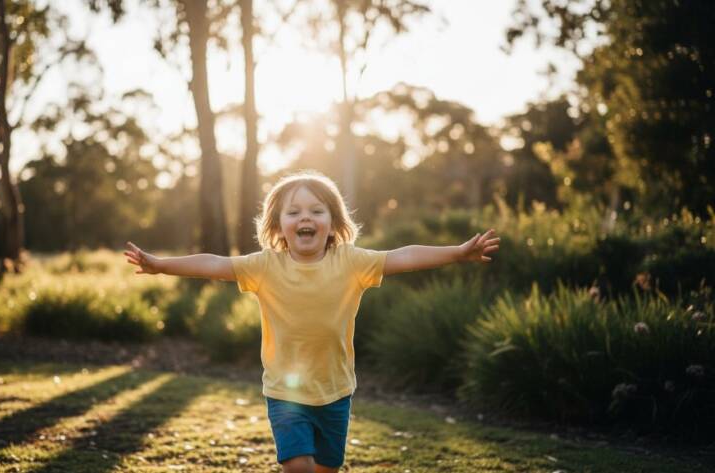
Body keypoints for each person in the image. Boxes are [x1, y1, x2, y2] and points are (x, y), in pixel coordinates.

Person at [124, 170, 500, 473]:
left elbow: (403, 256)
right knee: (298, 466)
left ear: (333, 224)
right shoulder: (265, 266)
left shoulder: (352, 262)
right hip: (285, 392)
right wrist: (160, 265)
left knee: (324, 468)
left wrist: (457, 254)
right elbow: (214, 264)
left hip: (335, 391)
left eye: (317, 211)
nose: (305, 217)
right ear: (278, 226)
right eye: (294, 212)